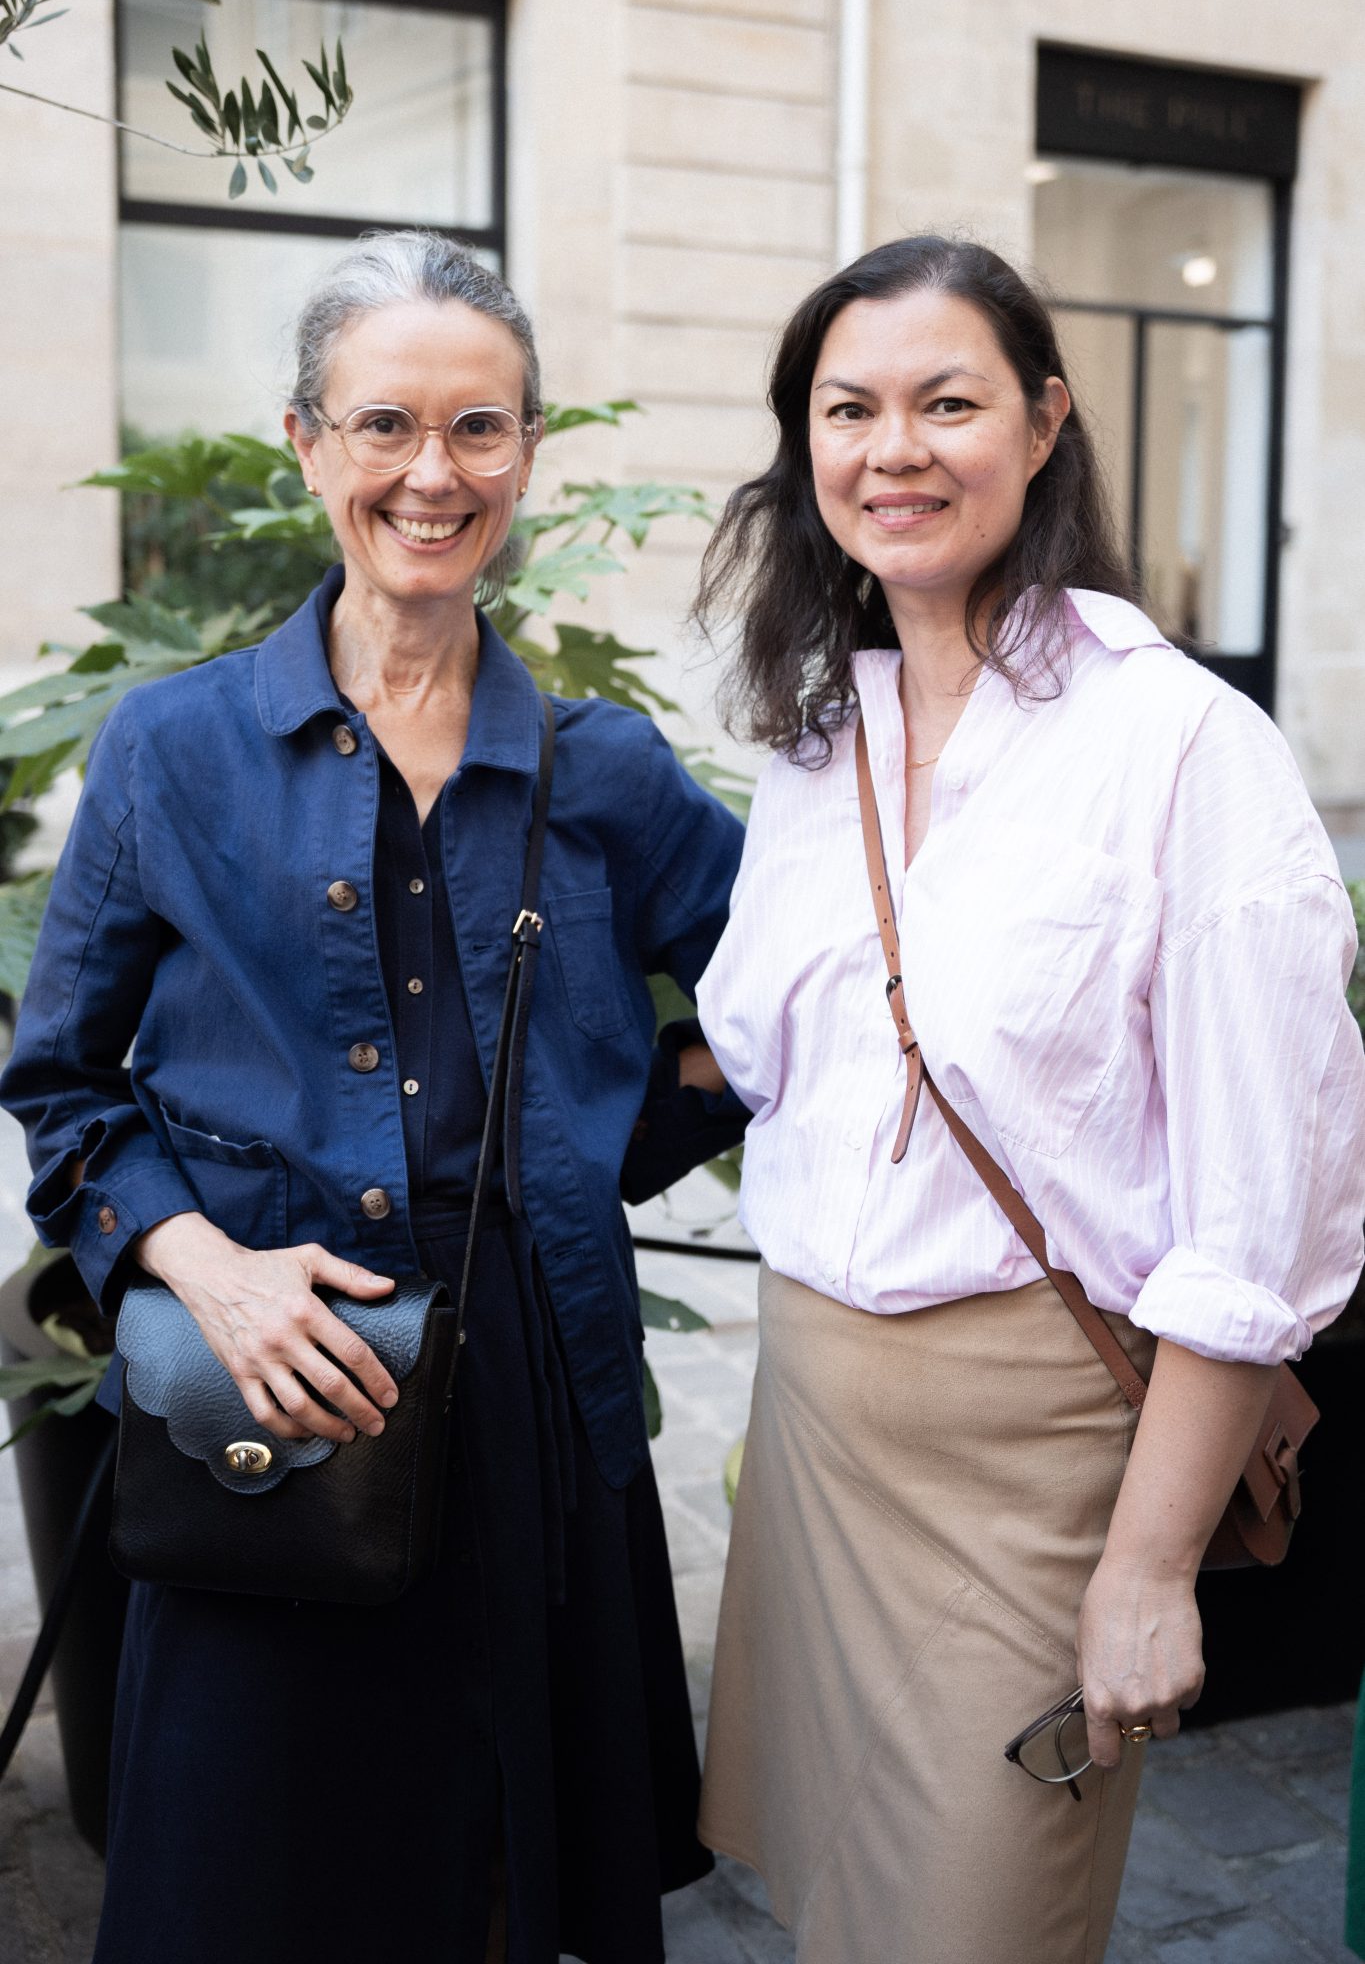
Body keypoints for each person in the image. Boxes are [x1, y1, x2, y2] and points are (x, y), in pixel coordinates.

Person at [0, 229, 747, 1964]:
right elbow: (60, 1080)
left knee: (500, 1883)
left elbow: (787, 1011)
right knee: (248, 1887)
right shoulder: (171, 750)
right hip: (268, 1397)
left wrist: (590, 1143)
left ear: (529, 454)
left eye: (479, 429)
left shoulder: (611, 775)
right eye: (386, 426)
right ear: (306, 443)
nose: (433, 473)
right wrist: (205, 1265)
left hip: (528, 1411)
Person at [691, 234, 1365, 1964]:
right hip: (818, 1427)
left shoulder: (1180, 747)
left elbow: (1257, 1208)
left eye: (946, 401)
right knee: (832, 1906)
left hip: (1043, 1460)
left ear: (1044, 420)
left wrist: (1144, 1569)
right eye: (847, 408)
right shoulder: (807, 736)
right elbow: (780, 1061)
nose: (891, 448)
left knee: (980, 1926)